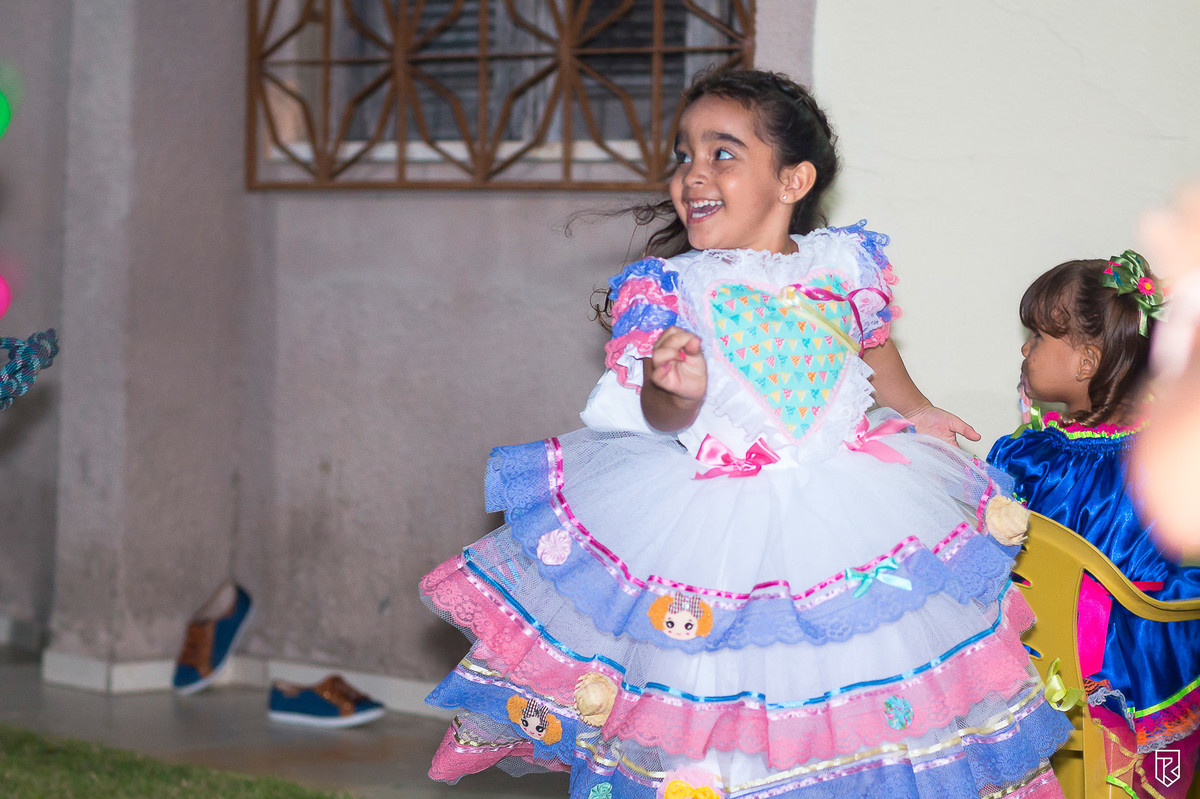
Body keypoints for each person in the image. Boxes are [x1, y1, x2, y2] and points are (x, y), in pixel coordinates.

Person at [421, 67, 1070, 799]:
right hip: (720, 542)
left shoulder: (845, 264)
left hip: (851, 518)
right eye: (684, 154)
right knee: (720, 721)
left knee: (871, 706)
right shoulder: (674, 289)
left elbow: (872, 349)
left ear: (793, 180)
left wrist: (916, 408)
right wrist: (675, 390)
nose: (693, 173)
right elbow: (647, 411)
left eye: (722, 153)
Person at [988, 254, 1200, 797]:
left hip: (1036, 671)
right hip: (1132, 672)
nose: (1024, 348)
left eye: (1037, 335)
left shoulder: (1026, 456)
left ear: (1085, 361)